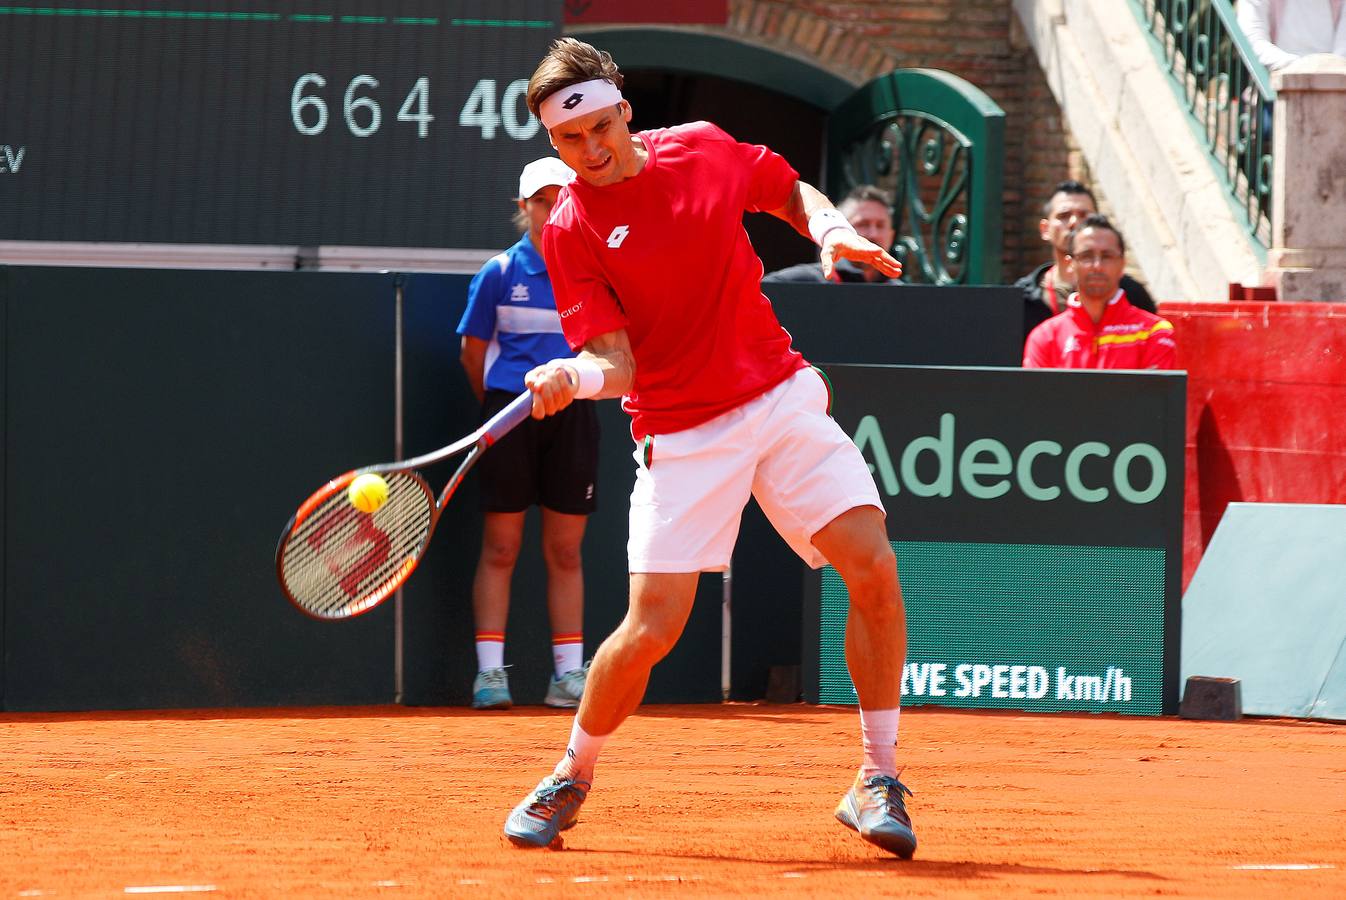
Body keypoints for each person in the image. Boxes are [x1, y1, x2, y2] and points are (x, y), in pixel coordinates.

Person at [505, 37, 918, 858]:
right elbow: (614, 362)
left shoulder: (698, 146)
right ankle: (572, 773)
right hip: (681, 428)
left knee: (870, 561)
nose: (590, 151)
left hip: (775, 392)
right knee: (652, 628)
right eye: (568, 141)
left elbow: (785, 190)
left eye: (598, 128)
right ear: (554, 143)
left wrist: (831, 232)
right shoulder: (570, 232)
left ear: (623, 109)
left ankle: (877, 776)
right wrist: (572, 375)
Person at [456, 157, 599, 711]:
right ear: (525, 208)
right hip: (508, 416)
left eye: (560, 199)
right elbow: (472, 355)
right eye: (540, 201)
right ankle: (490, 675)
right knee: (501, 547)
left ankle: (567, 677)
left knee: (565, 552)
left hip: (574, 416)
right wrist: (500, 410)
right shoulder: (498, 274)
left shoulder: (591, 275)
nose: (550, 210)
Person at [1023, 214, 1178, 370]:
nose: (1097, 265)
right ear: (1070, 264)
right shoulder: (1044, 337)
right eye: (1086, 256)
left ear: (1122, 264)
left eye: (1107, 256)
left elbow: (1155, 394)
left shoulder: (1154, 332)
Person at [1015, 181, 1156, 345]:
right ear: (1045, 229)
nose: (1074, 222)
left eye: (1084, 215)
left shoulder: (1131, 293)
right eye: (1064, 216)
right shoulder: (1021, 298)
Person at [762, 184, 903, 284]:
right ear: (842, 228)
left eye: (880, 225)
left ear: (891, 235)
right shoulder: (802, 281)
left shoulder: (904, 294)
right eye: (863, 224)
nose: (873, 234)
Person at [1238, 0, 1346, 71]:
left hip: (1333, 83)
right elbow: (1252, 41)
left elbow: (1342, 50)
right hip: (1278, 83)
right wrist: (1298, 66)